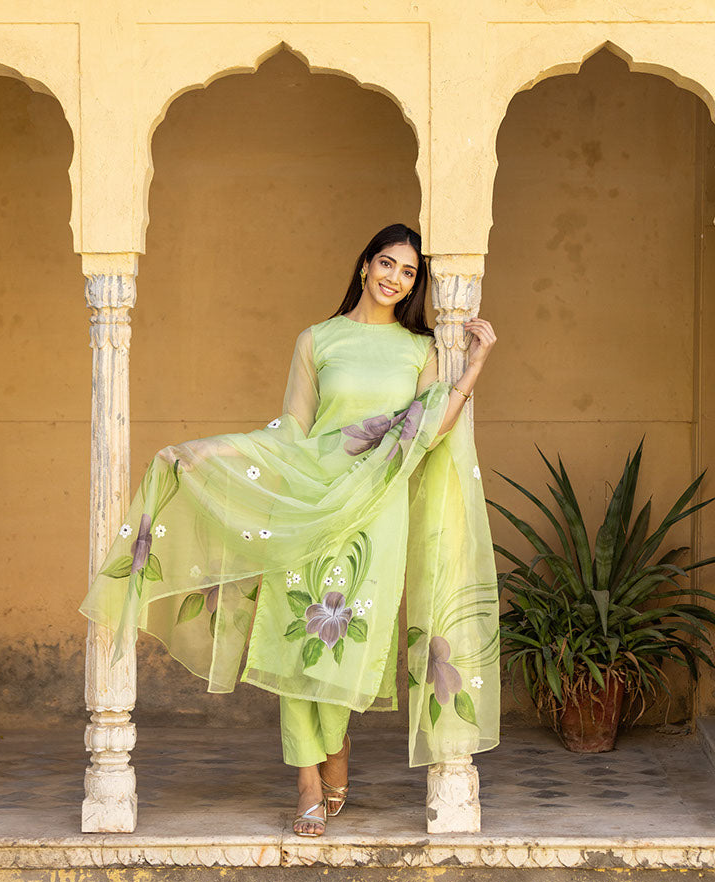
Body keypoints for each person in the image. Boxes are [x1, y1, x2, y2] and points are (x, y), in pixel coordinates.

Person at [78, 223, 500, 838]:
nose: (395, 279)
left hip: (374, 511)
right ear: (364, 265)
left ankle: (336, 743)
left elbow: (429, 428)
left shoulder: (419, 349)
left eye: (409, 273)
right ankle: (308, 779)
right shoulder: (318, 340)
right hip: (305, 499)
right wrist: (213, 455)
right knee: (290, 635)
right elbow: (291, 433)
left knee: (347, 644)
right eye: (387, 264)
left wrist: (474, 365)